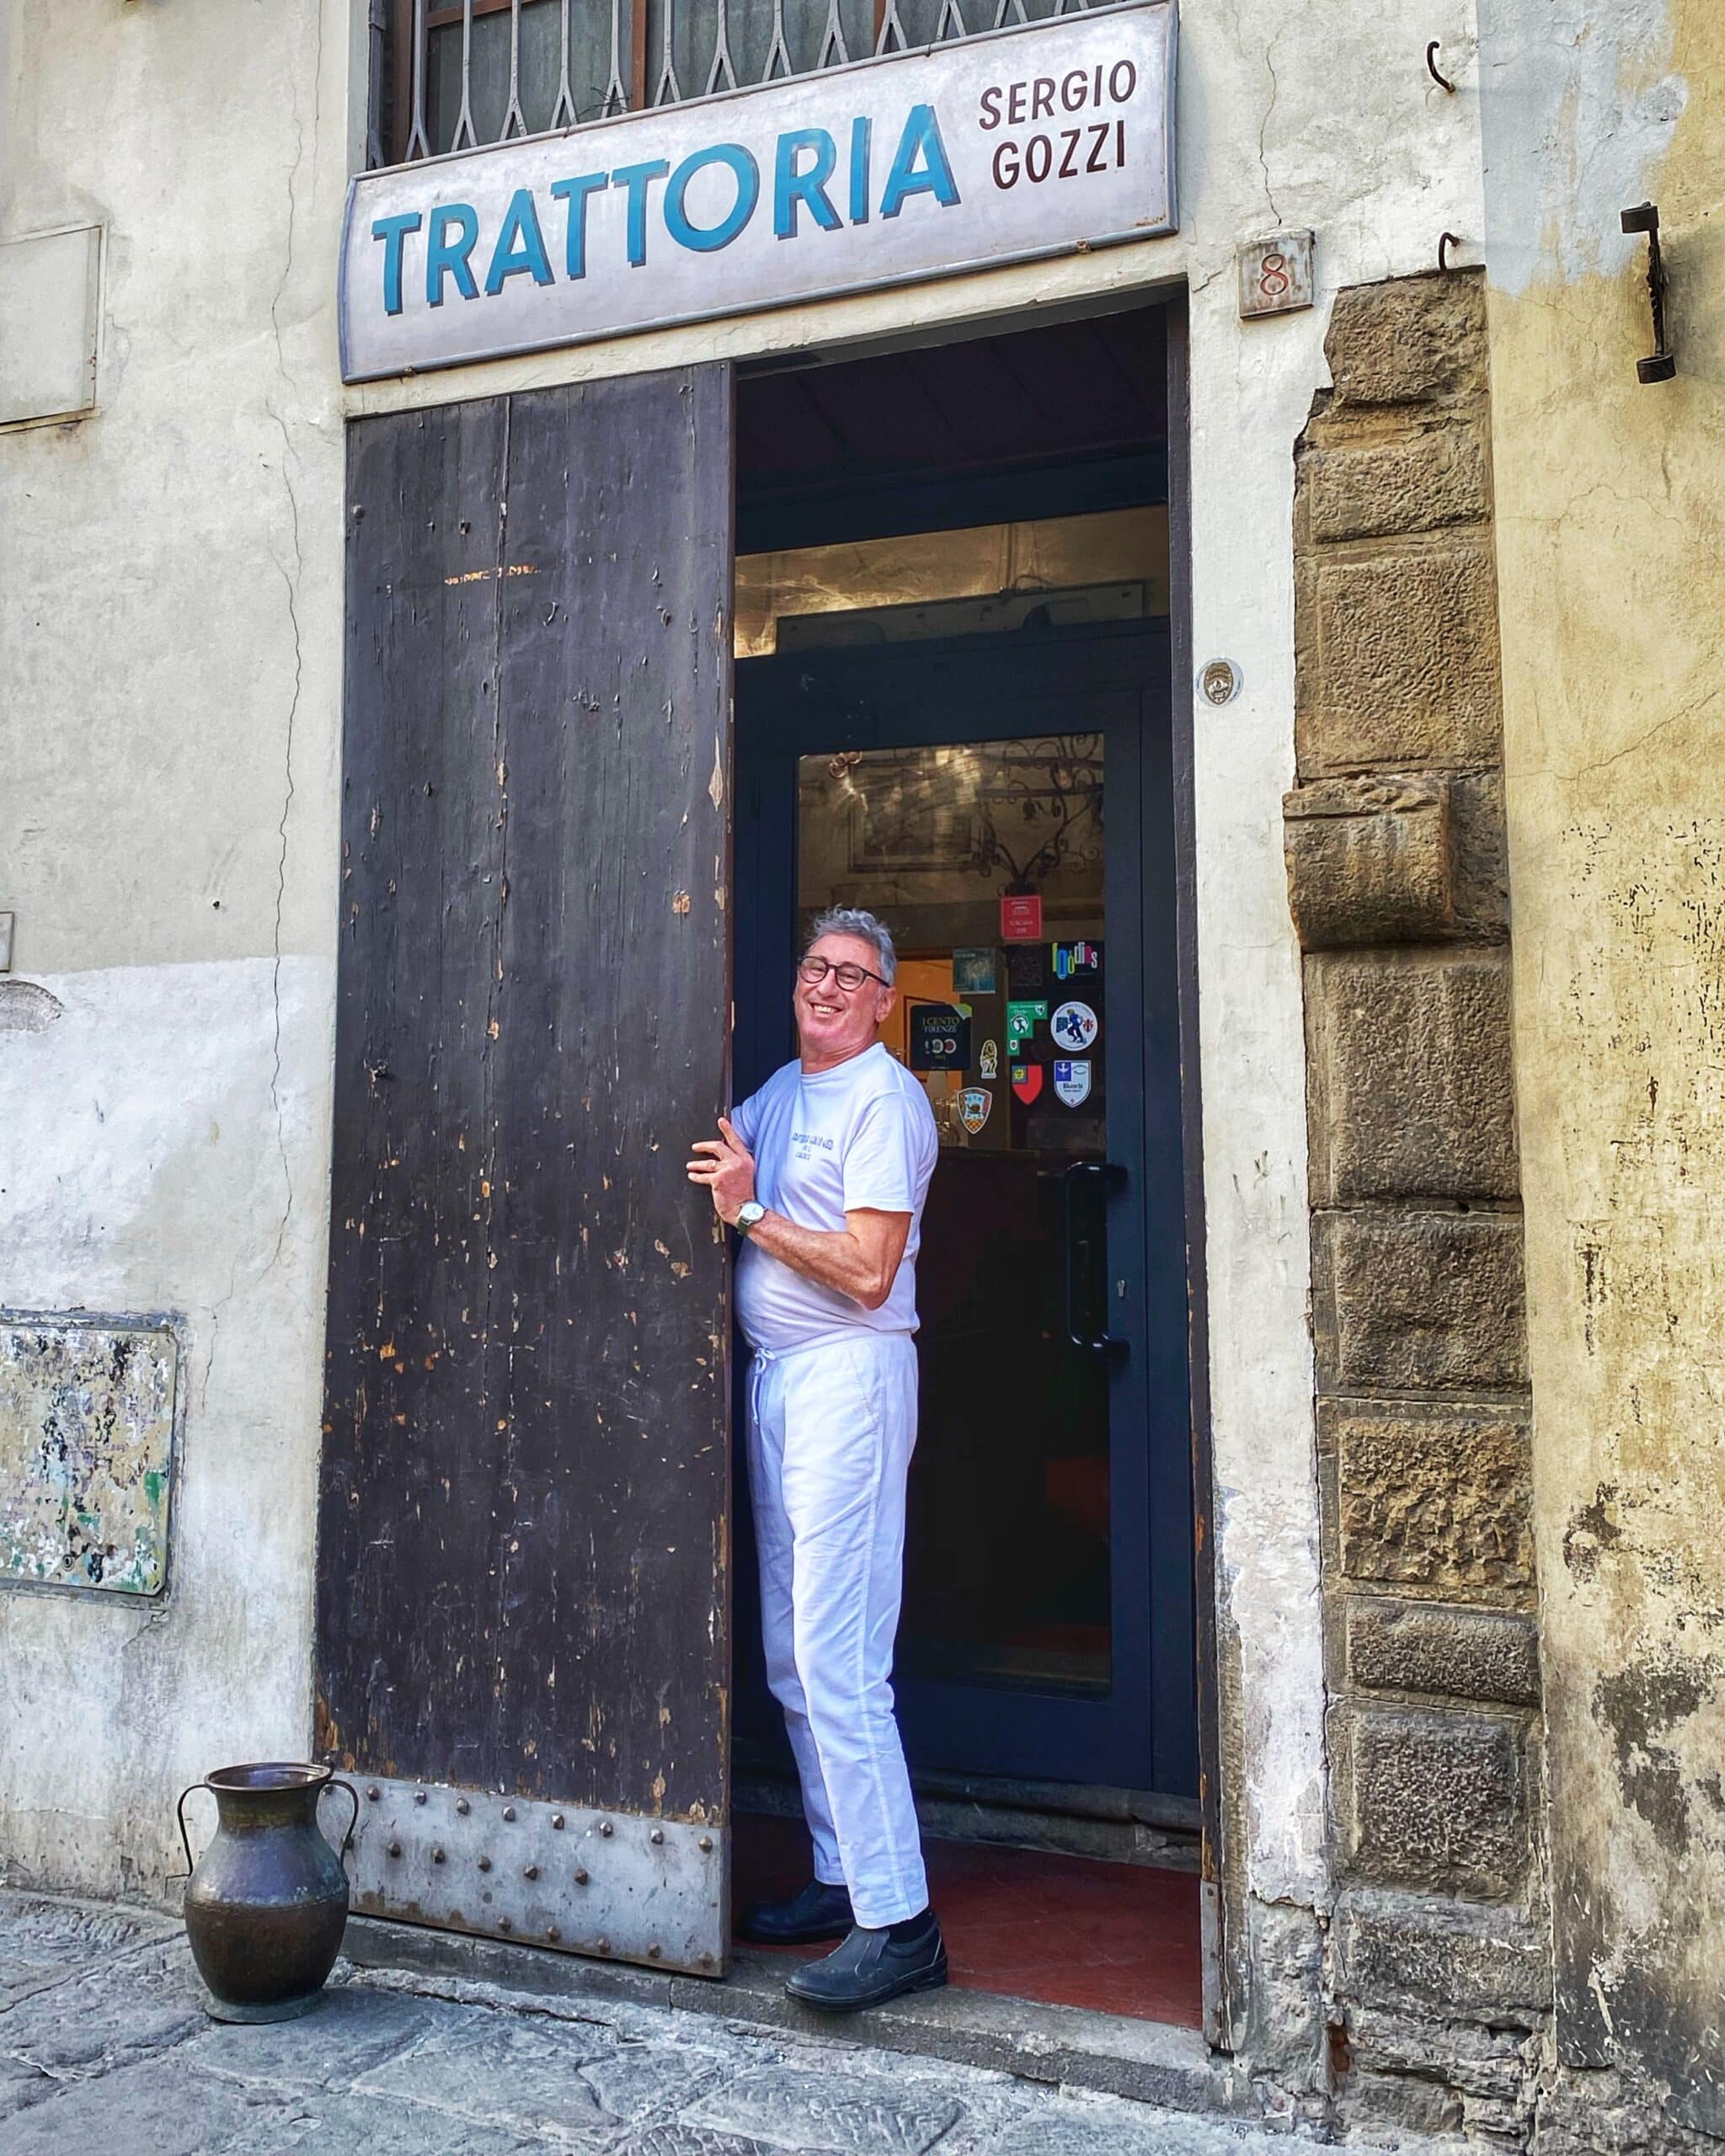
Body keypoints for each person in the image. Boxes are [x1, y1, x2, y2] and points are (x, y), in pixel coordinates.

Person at [686, 906, 944, 2012]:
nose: (829, 987)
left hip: (851, 1373)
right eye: (815, 968)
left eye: (853, 975)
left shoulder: (886, 1099)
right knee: (795, 1658)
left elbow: (869, 1269)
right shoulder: (786, 1094)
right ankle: (844, 1878)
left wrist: (750, 1218)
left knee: (839, 1656)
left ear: (886, 997)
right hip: (782, 1381)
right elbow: (702, 1144)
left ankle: (902, 1924)